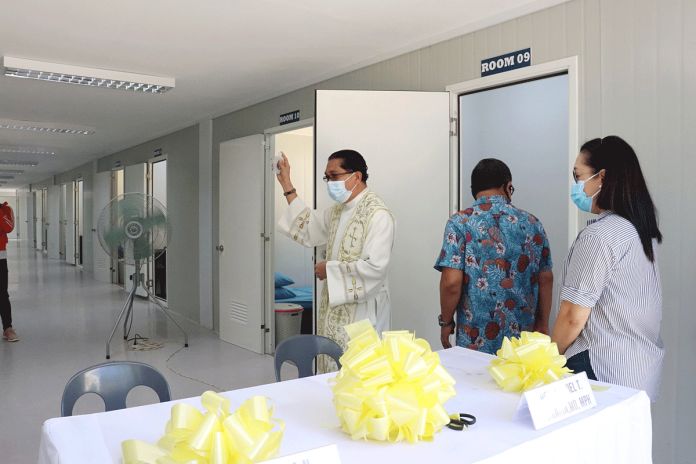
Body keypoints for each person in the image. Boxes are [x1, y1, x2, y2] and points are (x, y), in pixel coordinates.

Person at [551, 136, 664, 401]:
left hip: (599, 368)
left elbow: (572, 316)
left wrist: (547, 359)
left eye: (578, 176)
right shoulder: (638, 230)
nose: (576, 185)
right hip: (636, 369)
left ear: (601, 177)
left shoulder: (600, 236)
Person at [276, 149, 395, 372]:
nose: (330, 182)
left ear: (356, 176)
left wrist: (329, 270)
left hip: (363, 314)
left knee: (358, 376)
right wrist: (286, 185)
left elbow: (375, 268)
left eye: (334, 176)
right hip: (334, 308)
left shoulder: (377, 214)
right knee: (331, 374)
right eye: (327, 177)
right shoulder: (339, 211)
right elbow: (309, 225)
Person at [435, 159, 553, 353]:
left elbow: (450, 282)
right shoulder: (532, 223)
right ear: (508, 186)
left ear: (474, 190)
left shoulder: (459, 222)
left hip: (474, 343)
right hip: (521, 343)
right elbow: (546, 279)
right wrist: (542, 324)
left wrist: (446, 321)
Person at [1, 201, 17, 342]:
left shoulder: (6, 210)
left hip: (0, 257)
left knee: (2, 294)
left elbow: (8, 228)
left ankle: (8, 328)